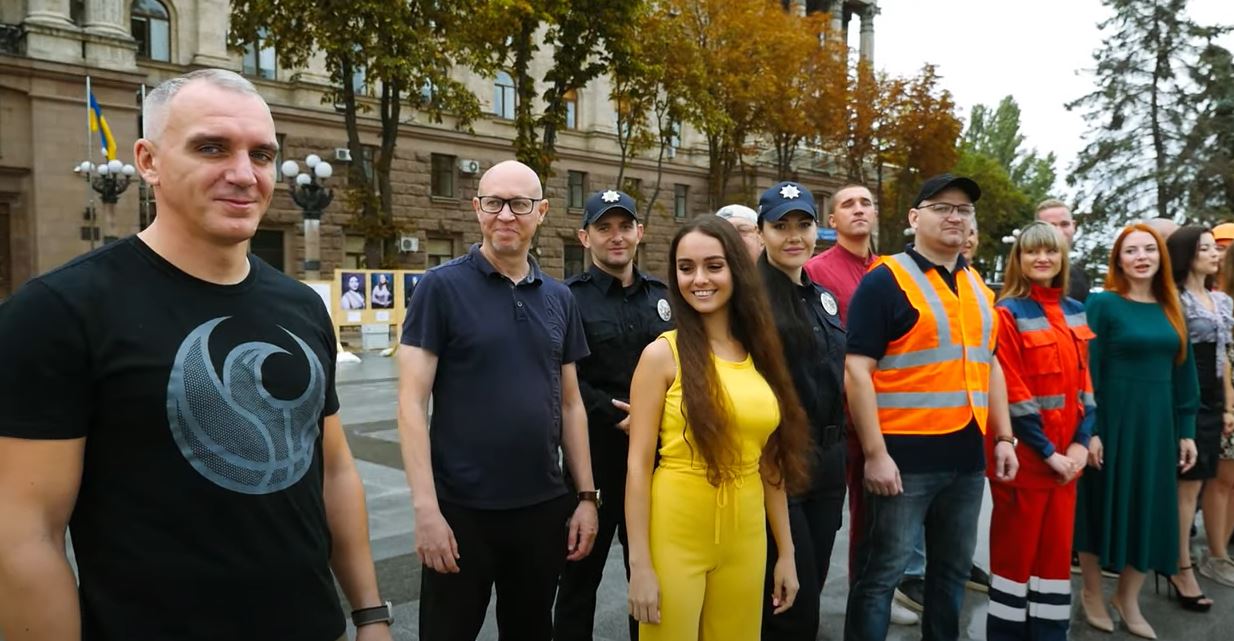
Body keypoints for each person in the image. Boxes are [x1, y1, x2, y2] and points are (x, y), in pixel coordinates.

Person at [0, 69, 392, 641]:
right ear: (148, 161)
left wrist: (370, 614)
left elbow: (333, 470)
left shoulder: (302, 305)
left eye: (262, 155)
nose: (244, 174)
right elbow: (25, 533)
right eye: (212, 148)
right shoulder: (57, 311)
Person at [397, 160, 599, 641]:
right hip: (461, 511)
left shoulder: (559, 298)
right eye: (494, 203)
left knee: (531, 630)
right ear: (477, 208)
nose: (505, 215)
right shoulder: (440, 287)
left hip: (542, 508)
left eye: (519, 204)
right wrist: (426, 510)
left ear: (542, 212)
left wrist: (586, 497)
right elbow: (410, 403)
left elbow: (571, 404)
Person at [843, 173, 1019, 641]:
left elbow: (990, 364)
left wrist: (1004, 437)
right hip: (904, 462)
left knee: (951, 574)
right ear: (914, 217)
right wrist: (875, 454)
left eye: (963, 210)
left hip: (966, 461)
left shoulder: (977, 286)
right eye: (942, 208)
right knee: (882, 575)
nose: (955, 217)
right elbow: (856, 370)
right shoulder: (886, 280)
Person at [625, 215, 810, 641]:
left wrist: (787, 553)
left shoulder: (761, 352)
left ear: (736, 271)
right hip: (676, 528)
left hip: (747, 534)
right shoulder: (661, 356)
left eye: (713, 266)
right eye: (685, 268)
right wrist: (640, 566)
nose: (699, 280)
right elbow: (637, 467)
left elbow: (770, 462)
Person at [555, 190, 672, 641]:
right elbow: (561, 376)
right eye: (604, 228)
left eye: (624, 226)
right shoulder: (568, 299)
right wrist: (613, 413)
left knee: (650, 578)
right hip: (595, 460)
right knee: (578, 578)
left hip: (659, 461)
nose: (616, 236)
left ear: (640, 232)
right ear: (585, 237)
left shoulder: (663, 296)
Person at [1075, 223, 1199, 639]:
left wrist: (1186, 430)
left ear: (1161, 257)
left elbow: (1184, 374)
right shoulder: (1103, 304)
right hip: (1112, 422)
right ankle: (1092, 592)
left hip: (1158, 426)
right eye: (1131, 251)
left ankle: (1127, 598)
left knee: (1150, 509)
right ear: (1119, 260)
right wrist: (1091, 430)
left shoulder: (1171, 307)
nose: (1141, 257)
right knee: (1098, 506)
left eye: (1149, 249)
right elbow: (1087, 370)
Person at [986, 222, 1095, 641]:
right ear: (1019, 259)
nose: (1042, 259)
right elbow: (1013, 392)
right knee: (1015, 561)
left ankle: (1049, 633)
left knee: (1054, 562)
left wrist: (1082, 443)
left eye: (1050, 251)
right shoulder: (1007, 313)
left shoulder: (1075, 310)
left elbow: (1086, 384)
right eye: (1032, 252)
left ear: (1062, 258)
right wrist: (1050, 452)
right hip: (1028, 461)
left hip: (1067, 462)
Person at [755, 182, 848, 640]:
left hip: (828, 459)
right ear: (761, 232)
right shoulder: (751, 300)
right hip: (779, 461)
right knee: (789, 601)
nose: (794, 236)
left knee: (812, 583)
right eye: (781, 226)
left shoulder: (820, 294)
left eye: (803, 224)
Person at [1166, 225, 1233, 603]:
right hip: (1186, 396)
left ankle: (1189, 560)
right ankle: (1180, 566)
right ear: (1188, 255)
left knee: (1201, 481)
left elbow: (1225, 358)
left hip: (1215, 397)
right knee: (1186, 485)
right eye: (1205, 248)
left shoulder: (1221, 301)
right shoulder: (1174, 298)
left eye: (1215, 248)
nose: (1215, 254)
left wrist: (1228, 406)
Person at [1035, 199, 1089, 302]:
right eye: (1051, 226)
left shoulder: (1081, 277)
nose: (1059, 232)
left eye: (1065, 224)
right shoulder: (1024, 275)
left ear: (1074, 226)